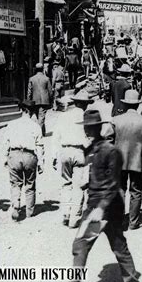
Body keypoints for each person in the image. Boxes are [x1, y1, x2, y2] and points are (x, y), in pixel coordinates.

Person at [69, 109, 140, 282]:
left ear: (97, 128)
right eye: (85, 127)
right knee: (81, 245)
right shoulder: (90, 150)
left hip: (108, 207)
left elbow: (114, 183)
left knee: (117, 245)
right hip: (94, 206)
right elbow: (91, 175)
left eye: (90, 128)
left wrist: (101, 209)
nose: (86, 131)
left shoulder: (111, 151)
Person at [111, 89, 142, 229]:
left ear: (124, 104)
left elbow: (108, 139)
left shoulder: (116, 120)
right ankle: (133, 222)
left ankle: (118, 221)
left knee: (119, 190)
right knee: (136, 191)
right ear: (137, 105)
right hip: (138, 160)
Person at [53, 89, 94, 227]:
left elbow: (56, 137)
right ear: (86, 104)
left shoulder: (63, 116)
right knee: (78, 186)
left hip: (64, 150)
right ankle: (75, 216)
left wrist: (54, 155)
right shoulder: (86, 117)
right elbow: (89, 139)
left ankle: (65, 212)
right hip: (79, 152)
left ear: (75, 102)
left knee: (66, 184)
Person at [4, 102, 44, 221]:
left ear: (21, 110)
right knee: (30, 184)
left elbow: (6, 142)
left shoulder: (11, 124)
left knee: (15, 183)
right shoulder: (36, 126)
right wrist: (41, 163)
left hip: (14, 155)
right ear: (31, 112)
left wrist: (5, 157)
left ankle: (16, 205)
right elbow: (40, 146)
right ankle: (29, 212)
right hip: (29, 156)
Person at [26, 62, 52, 136]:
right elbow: (50, 91)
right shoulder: (46, 78)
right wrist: (51, 100)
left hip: (35, 101)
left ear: (36, 69)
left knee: (39, 117)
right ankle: (40, 133)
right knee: (41, 117)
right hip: (44, 101)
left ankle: (42, 132)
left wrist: (29, 101)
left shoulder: (31, 79)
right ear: (42, 69)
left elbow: (29, 92)